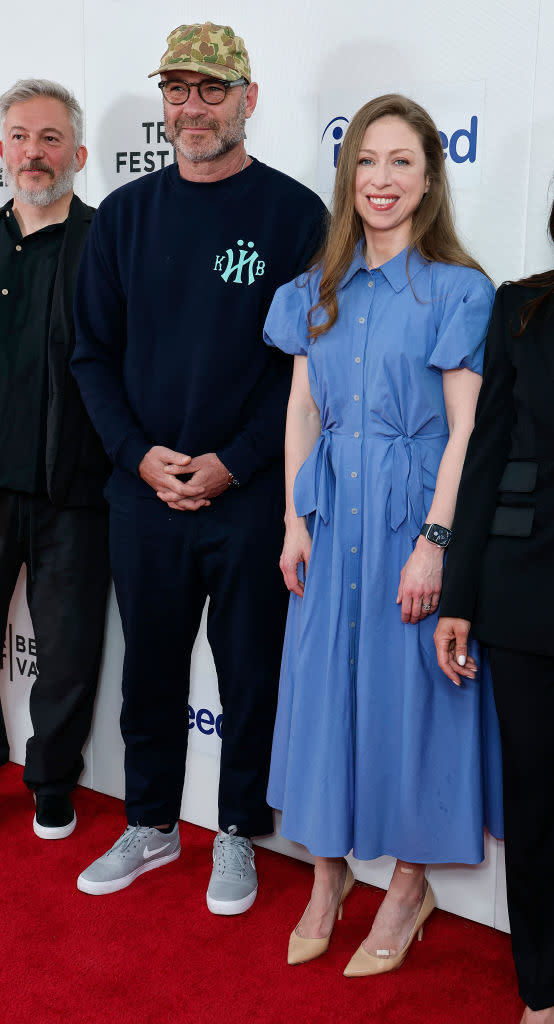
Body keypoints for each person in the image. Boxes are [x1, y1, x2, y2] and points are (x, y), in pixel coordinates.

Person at [71, 22, 327, 913]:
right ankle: (150, 823)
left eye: (211, 89)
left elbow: (304, 371)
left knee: (252, 670)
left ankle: (236, 833)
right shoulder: (125, 218)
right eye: (178, 89)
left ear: (248, 99)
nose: (192, 106)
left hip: (249, 499)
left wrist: (233, 463)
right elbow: (92, 358)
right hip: (143, 498)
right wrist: (141, 458)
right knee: (149, 669)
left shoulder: (297, 216)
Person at [263, 93, 503, 973]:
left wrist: (435, 541)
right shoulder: (312, 289)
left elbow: (466, 430)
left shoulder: (459, 290)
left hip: (411, 516)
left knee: (414, 707)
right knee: (325, 697)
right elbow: (300, 407)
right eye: (368, 160)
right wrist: (294, 518)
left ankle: (407, 887)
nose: (382, 179)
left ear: (431, 177)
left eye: (402, 161)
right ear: (348, 172)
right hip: (332, 522)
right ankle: (328, 878)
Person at [435, 200, 554, 1024]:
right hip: (526, 593)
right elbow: (483, 457)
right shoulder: (522, 305)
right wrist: (460, 598)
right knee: (539, 804)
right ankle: (542, 992)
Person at [0, 79, 110, 838]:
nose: (32, 153)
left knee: (68, 647)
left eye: (47, 138)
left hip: (75, 483)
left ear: (76, 151)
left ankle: (51, 779)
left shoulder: (105, 243)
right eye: (18, 136)